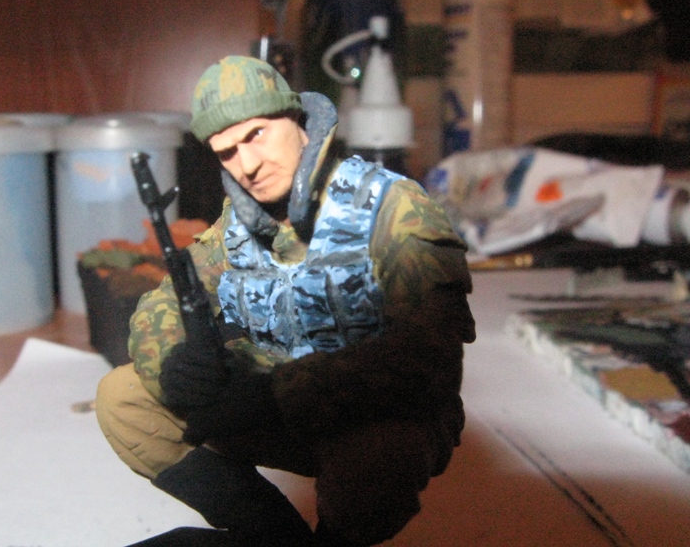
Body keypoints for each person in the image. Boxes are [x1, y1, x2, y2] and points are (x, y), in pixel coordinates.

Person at [95, 56, 475, 547]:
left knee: (379, 458)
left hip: (367, 411)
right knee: (123, 398)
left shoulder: (394, 207)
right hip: (267, 405)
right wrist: (172, 358)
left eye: (256, 135)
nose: (247, 165)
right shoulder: (238, 221)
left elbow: (427, 353)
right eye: (227, 152)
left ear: (296, 119)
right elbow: (168, 297)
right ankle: (270, 533)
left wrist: (276, 393)